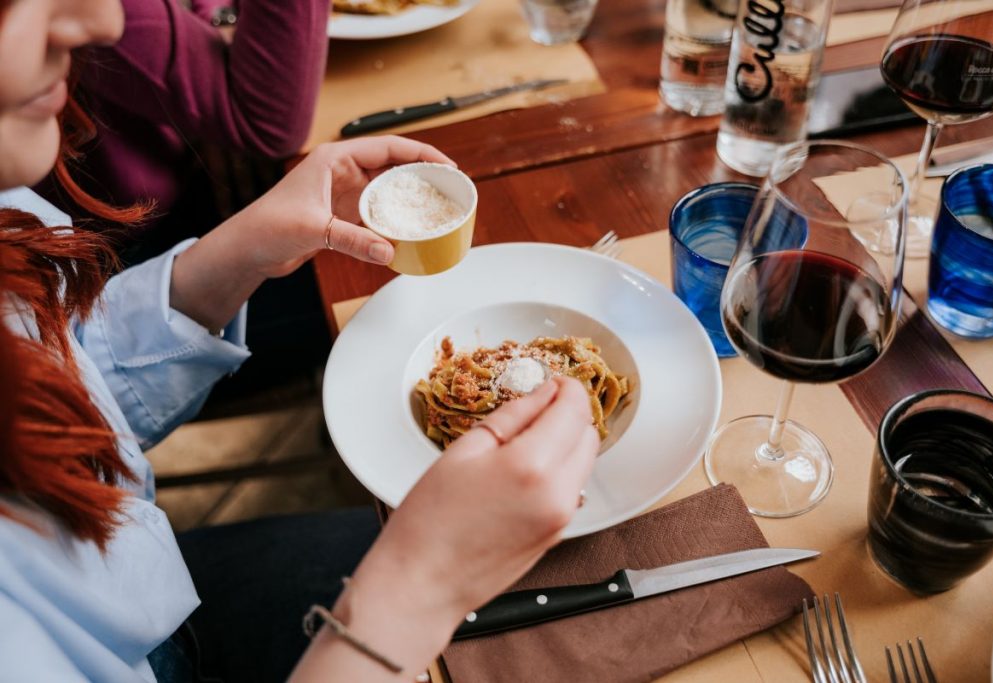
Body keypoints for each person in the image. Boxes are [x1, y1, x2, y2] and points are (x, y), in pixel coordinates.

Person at [0, 2, 600, 682]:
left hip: (140, 578)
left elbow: (65, 385)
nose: (105, 21)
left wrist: (241, 249)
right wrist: (415, 585)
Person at [34, 0, 336, 395]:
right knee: (369, 288)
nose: (104, 25)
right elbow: (269, 121)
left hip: (153, 220)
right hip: (109, 265)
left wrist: (210, 21)